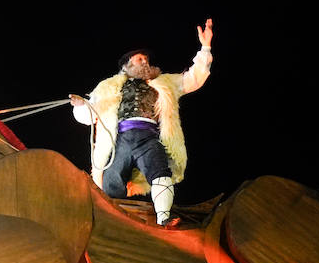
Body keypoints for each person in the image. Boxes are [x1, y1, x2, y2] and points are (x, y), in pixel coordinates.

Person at [68, 22, 214, 225]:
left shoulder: (164, 82)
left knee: (161, 172)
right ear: (126, 66)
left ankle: (164, 218)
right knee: (112, 178)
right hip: (121, 139)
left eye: (146, 59)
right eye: (139, 59)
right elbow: (89, 115)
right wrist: (80, 105)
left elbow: (193, 78)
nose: (145, 62)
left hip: (150, 137)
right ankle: (110, 220)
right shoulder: (108, 87)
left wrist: (205, 47)